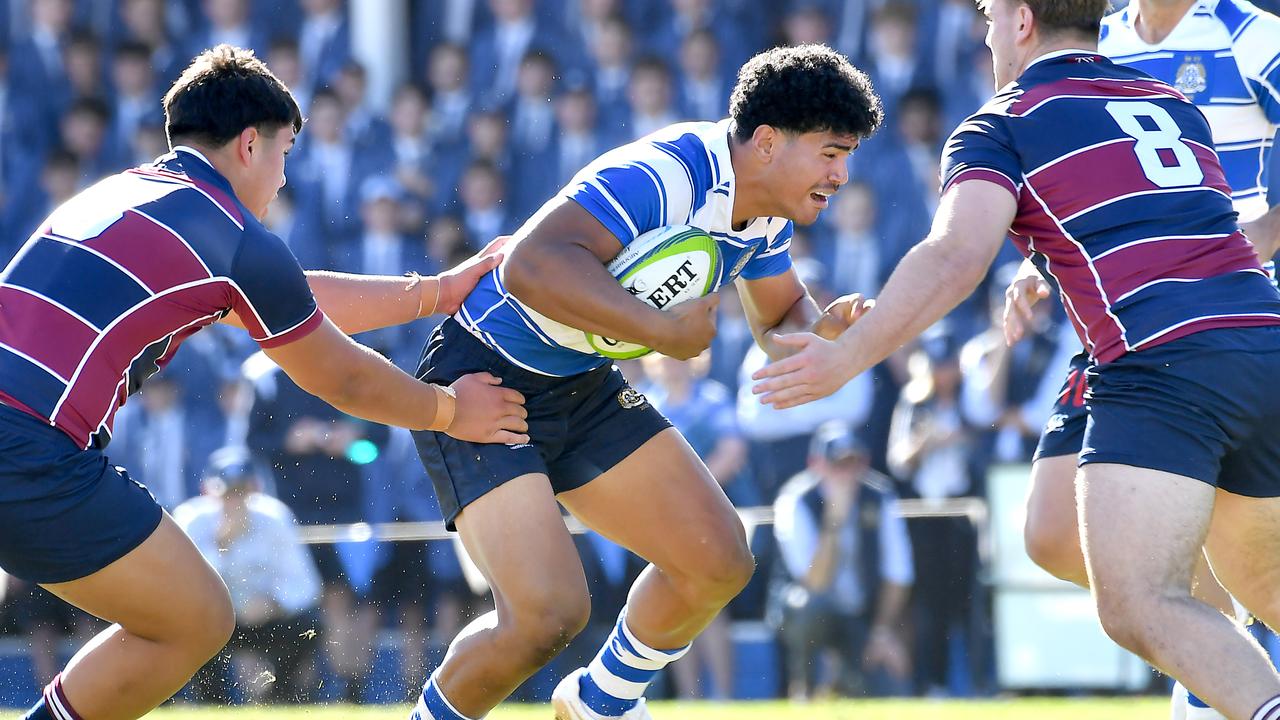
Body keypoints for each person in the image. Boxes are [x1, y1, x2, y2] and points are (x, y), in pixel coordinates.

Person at [752, 2, 1280, 718]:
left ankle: (1230, 687)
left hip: (1159, 360)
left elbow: (954, 256)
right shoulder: (1166, 100)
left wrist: (847, 357)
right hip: (1258, 337)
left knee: (1135, 601)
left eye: (992, 16)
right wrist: (1052, 265)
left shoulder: (1003, 122)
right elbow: (1168, 227)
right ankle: (1223, 657)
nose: (987, 31)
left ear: (1023, 21)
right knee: (1213, 572)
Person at [4, 45, 527, 720]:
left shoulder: (132, 193)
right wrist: (452, 410)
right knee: (191, 619)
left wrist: (435, 292)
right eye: (285, 154)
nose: (283, 180)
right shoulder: (228, 236)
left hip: (17, 435)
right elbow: (339, 374)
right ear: (249, 144)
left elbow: (293, 296)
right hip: (27, 447)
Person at [407, 43, 882, 720]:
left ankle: (598, 704)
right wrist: (659, 333)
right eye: (832, 153)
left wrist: (823, 329)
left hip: (580, 381)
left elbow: (778, 316)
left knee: (719, 560)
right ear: (769, 143)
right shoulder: (666, 174)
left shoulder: (770, 208)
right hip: (483, 378)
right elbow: (531, 267)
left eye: (849, 156)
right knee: (546, 618)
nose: (842, 175)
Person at [1001, 2, 1280, 716]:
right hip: (1131, 317)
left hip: (1233, 308)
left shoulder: (1252, 29)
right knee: (1055, 532)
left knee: (1220, 556)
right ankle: (1221, 654)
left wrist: (1216, 258)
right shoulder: (1109, 36)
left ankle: (1218, 680)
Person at [772, 421, 912, 700]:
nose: (847, 474)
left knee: (889, 689)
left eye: (853, 463)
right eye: (838, 464)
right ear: (817, 465)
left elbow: (899, 575)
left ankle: (846, 678)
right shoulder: (796, 500)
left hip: (862, 615)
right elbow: (814, 582)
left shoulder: (879, 496)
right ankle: (805, 686)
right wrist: (834, 521)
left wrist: (882, 631)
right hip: (809, 615)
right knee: (812, 608)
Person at [175, 446, 323, 704]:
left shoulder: (275, 518)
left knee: (309, 626)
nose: (234, 500)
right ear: (208, 490)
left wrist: (274, 603)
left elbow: (306, 585)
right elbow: (182, 587)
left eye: (241, 491)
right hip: (213, 620)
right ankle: (212, 704)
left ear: (254, 489)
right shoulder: (190, 520)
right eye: (228, 492)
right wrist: (222, 547)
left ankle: (278, 698)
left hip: (264, 617)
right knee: (186, 629)